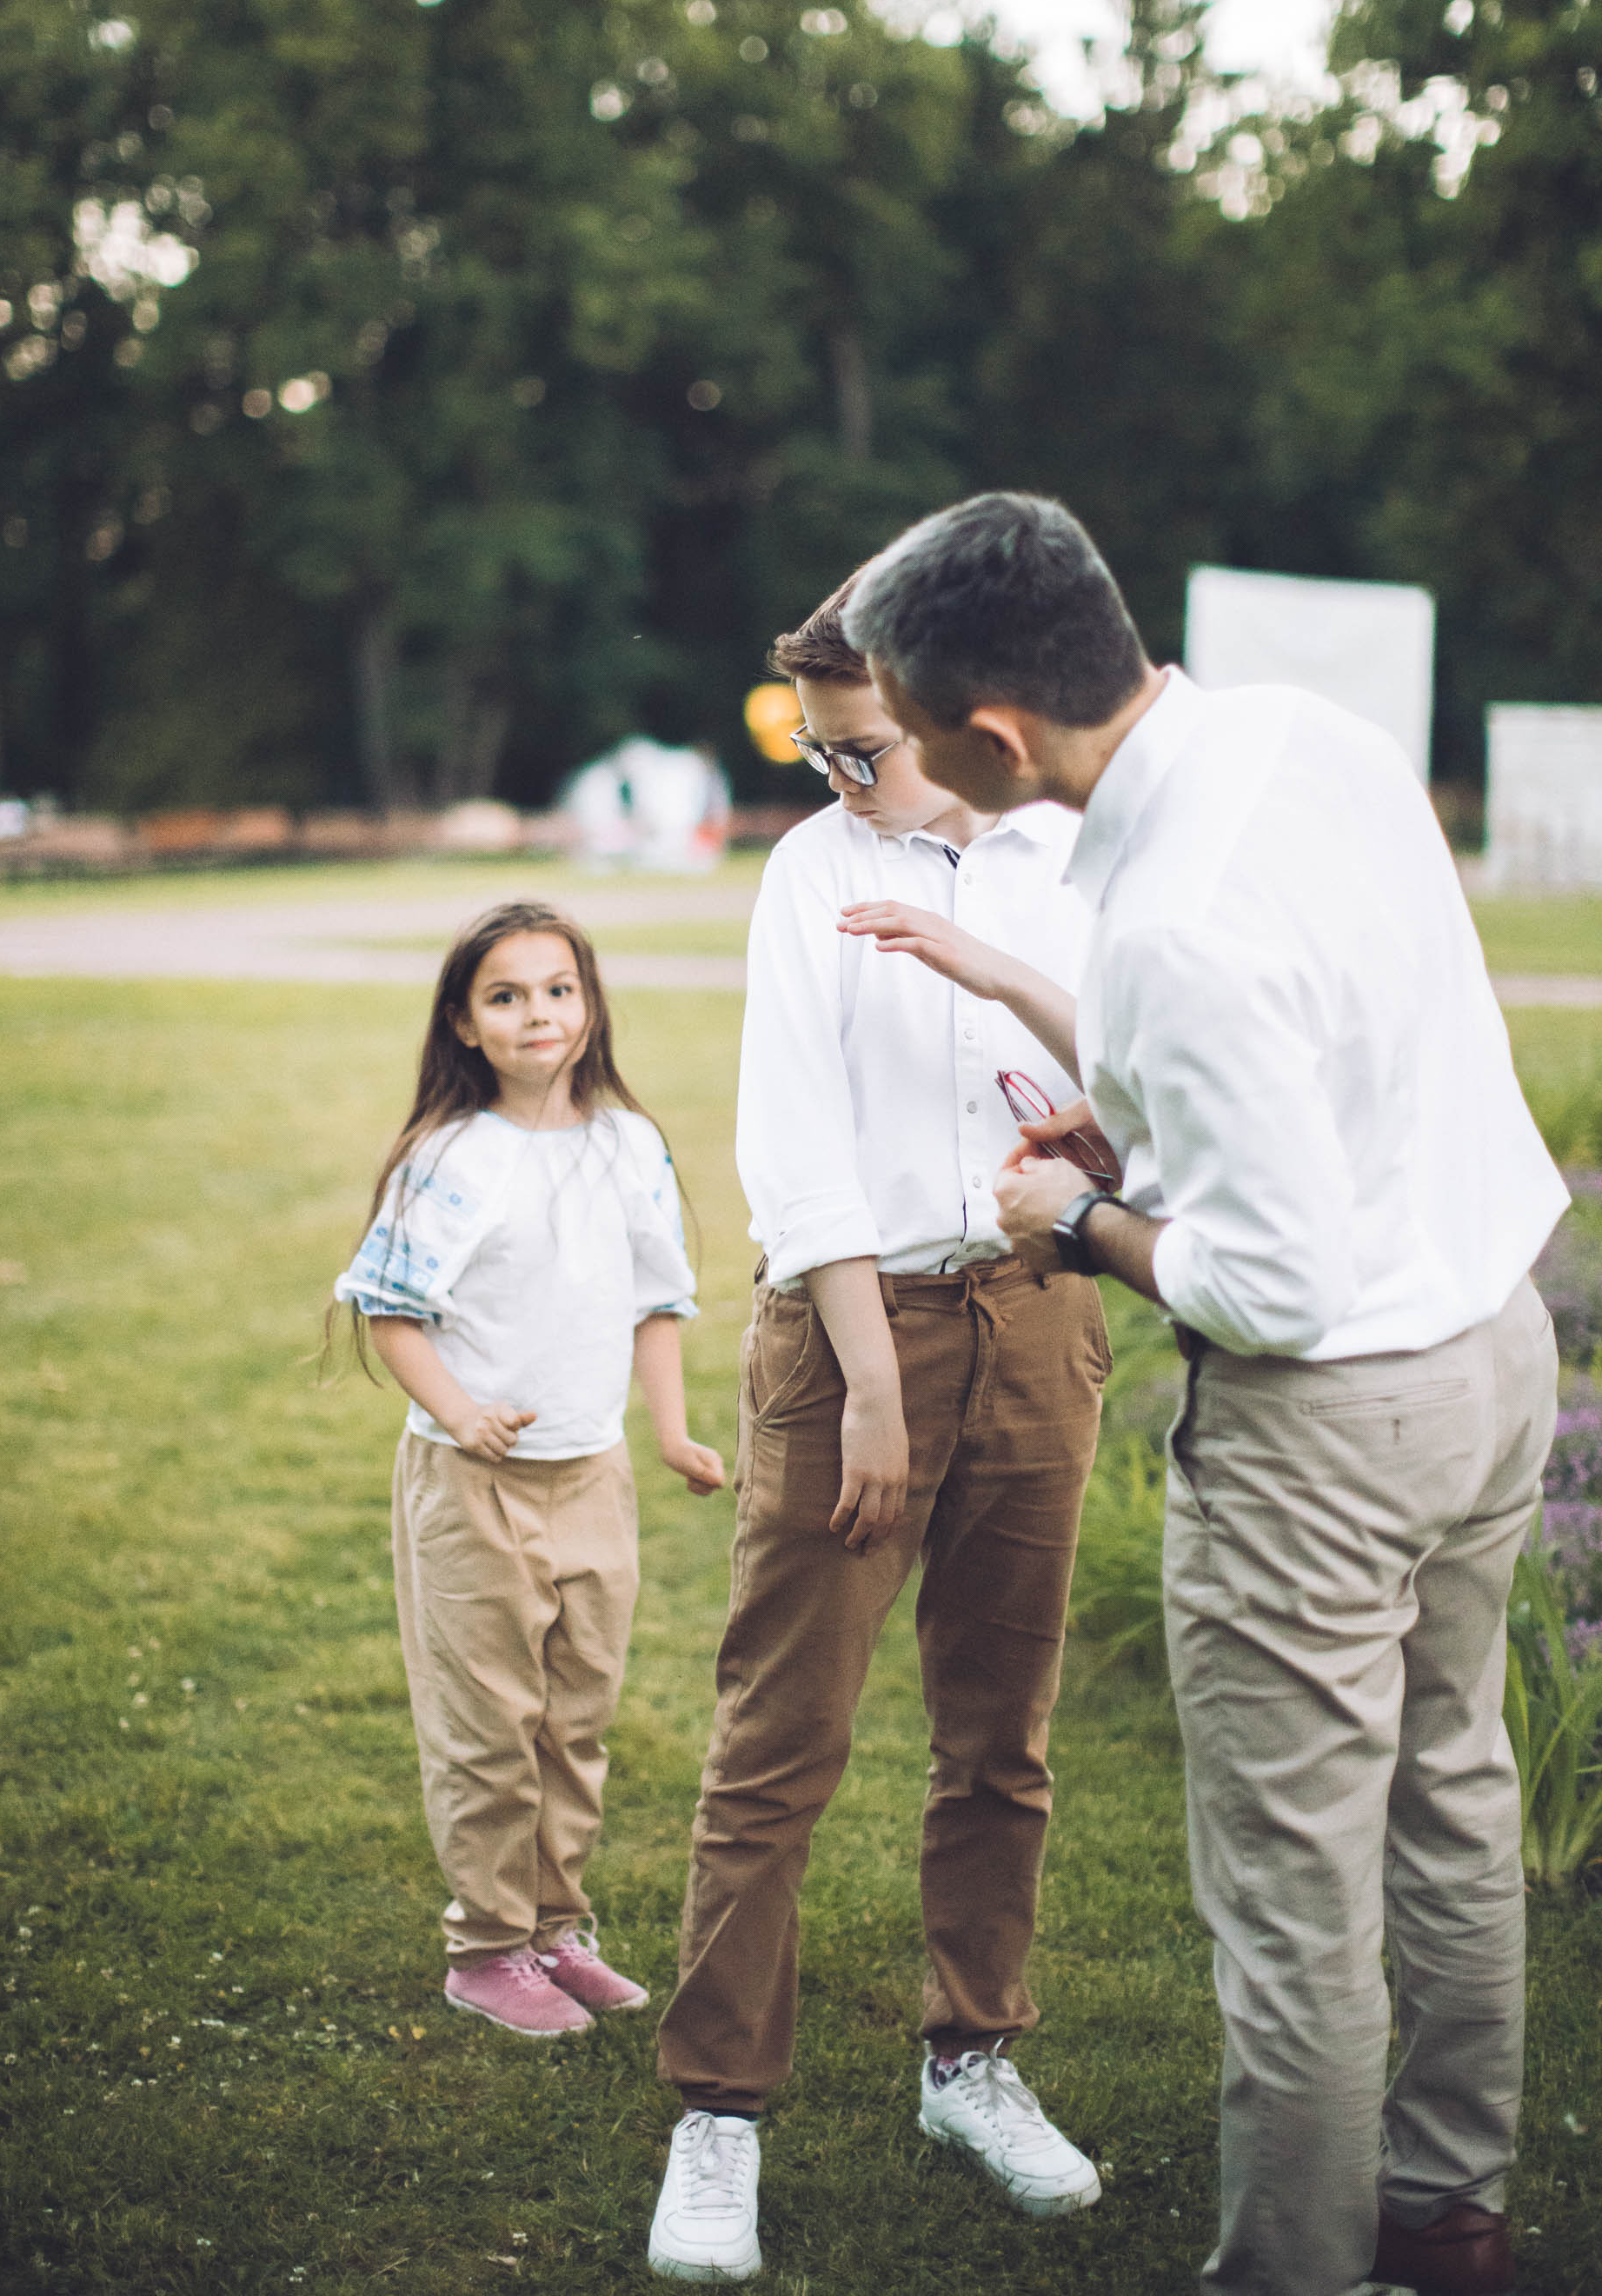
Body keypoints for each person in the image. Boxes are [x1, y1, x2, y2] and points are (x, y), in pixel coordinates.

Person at [840, 492, 1568, 2296]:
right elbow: (1344, 1047)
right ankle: (1448, 2214)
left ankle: (1295, 2271)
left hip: (1333, 1428)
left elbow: (1276, 1284)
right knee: (1455, 1802)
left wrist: (1083, 1220)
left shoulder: (1166, 928)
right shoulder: (1313, 735)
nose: (900, 761)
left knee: (1295, 1902)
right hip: (1492, 1350)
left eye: (908, 730)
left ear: (994, 734)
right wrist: (1157, 1142)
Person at [648, 578, 1112, 2283]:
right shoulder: (809, 873)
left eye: (866, 752)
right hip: (857, 1326)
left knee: (1001, 1738)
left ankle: (972, 2059)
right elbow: (795, 1146)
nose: (844, 782)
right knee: (779, 1742)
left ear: (953, 714)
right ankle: (718, 2108)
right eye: (823, 755)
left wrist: (999, 973)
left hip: (1041, 1315)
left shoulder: (1065, 856)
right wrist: (866, 1385)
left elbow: (1140, 1078)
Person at [335, 901, 726, 2040]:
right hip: (474, 1486)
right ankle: (488, 1947)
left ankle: (556, 1929)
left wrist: (670, 1434)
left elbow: (657, 1301)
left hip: (592, 1475)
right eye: (505, 996)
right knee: (491, 1728)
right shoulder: (450, 1159)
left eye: (558, 989)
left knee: (574, 1720)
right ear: (465, 1023)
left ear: (589, 1004)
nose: (538, 1013)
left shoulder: (628, 1144)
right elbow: (389, 1310)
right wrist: (462, 1413)